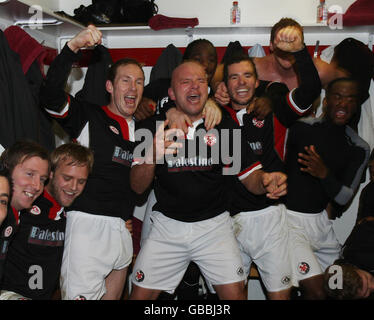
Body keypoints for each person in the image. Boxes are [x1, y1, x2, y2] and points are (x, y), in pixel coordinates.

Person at [129, 60, 287, 300]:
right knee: (139, 297)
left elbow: (249, 177)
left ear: (208, 89)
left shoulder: (223, 125)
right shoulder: (151, 127)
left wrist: (266, 180)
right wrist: (152, 154)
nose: (195, 86)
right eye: (186, 82)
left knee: (235, 294)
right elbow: (137, 186)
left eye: (201, 81)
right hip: (168, 226)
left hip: (214, 225)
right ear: (171, 93)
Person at [39, 25, 140, 300]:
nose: (133, 88)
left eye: (139, 82)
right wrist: (72, 47)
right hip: (87, 227)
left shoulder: (145, 128)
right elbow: (49, 98)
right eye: (125, 80)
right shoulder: (89, 116)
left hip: (121, 229)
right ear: (109, 86)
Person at [223, 25, 321, 300]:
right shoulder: (216, 117)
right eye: (233, 78)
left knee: (280, 295)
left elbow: (311, 88)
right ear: (224, 85)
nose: (241, 83)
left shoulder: (273, 111)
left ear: (257, 82)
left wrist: (300, 52)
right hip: (226, 223)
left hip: (268, 219)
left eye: (247, 76)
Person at [284, 77, 370, 299]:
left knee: (339, 286)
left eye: (350, 99)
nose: (343, 104)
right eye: (338, 97)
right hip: (290, 224)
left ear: (357, 105)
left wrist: (324, 174)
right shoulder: (300, 129)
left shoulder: (359, 148)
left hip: (321, 226)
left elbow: (343, 197)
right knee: (316, 292)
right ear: (326, 101)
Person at [0, 143, 93, 300]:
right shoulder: (22, 205)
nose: (73, 187)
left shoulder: (75, 212)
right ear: (53, 174)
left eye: (81, 181)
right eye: (67, 178)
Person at [213, 17, 347, 106]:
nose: (287, 50)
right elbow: (215, 73)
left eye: (292, 43)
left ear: (301, 46)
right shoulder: (253, 67)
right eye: (281, 43)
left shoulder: (318, 70)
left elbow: (352, 83)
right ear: (271, 45)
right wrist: (218, 86)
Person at [0, 140, 50, 282]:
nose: (37, 186)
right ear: (7, 170)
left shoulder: (15, 213)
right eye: (29, 174)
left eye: (42, 179)